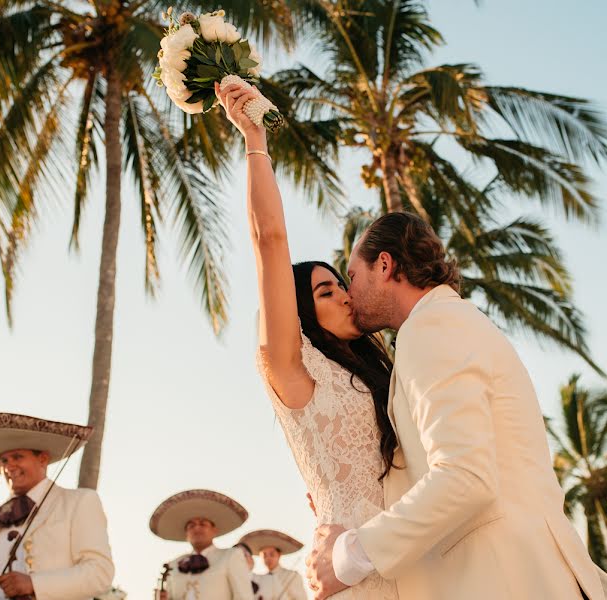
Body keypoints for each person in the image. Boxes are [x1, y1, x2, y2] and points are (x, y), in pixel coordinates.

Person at [305, 212, 607, 600]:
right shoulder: (450, 320)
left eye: (353, 276)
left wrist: (349, 555)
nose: (349, 293)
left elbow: (464, 476)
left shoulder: (431, 327)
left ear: (384, 265)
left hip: (509, 580)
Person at [215, 80, 397, 600]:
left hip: (411, 555)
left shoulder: (377, 372)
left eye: (342, 283)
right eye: (325, 290)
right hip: (353, 574)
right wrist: (254, 139)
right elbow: (269, 241)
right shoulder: (293, 369)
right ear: (298, 315)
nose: (344, 295)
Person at [0, 412, 114, 600]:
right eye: (4, 460)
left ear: (43, 459)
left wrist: (33, 583)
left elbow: (100, 573)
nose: (9, 467)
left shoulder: (79, 502)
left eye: (17, 457)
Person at [150, 489, 254, 600]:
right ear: (186, 534)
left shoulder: (231, 556)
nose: (197, 528)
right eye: (191, 525)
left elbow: (244, 597)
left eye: (203, 524)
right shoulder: (173, 564)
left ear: (215, 530)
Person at [239, 530, 307, 600]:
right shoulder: (258, 579)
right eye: (264, 555)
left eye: (272, 554)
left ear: (279, 555)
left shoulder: (292, 576)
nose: (268, 558)